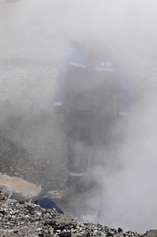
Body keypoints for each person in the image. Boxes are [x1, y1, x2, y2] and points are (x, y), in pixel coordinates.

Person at [53, 39, 130, 199]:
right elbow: (60, 81)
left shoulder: (113, 59)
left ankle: (96, 192)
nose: (95, 46)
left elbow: (123, 89)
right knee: (75, 150)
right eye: (92, 42)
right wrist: (58, 107)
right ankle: (74, 191)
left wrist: (123, 115)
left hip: (103, 116)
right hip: (75, 113)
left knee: (100, 152)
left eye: (99, 42)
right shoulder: (73, 55)